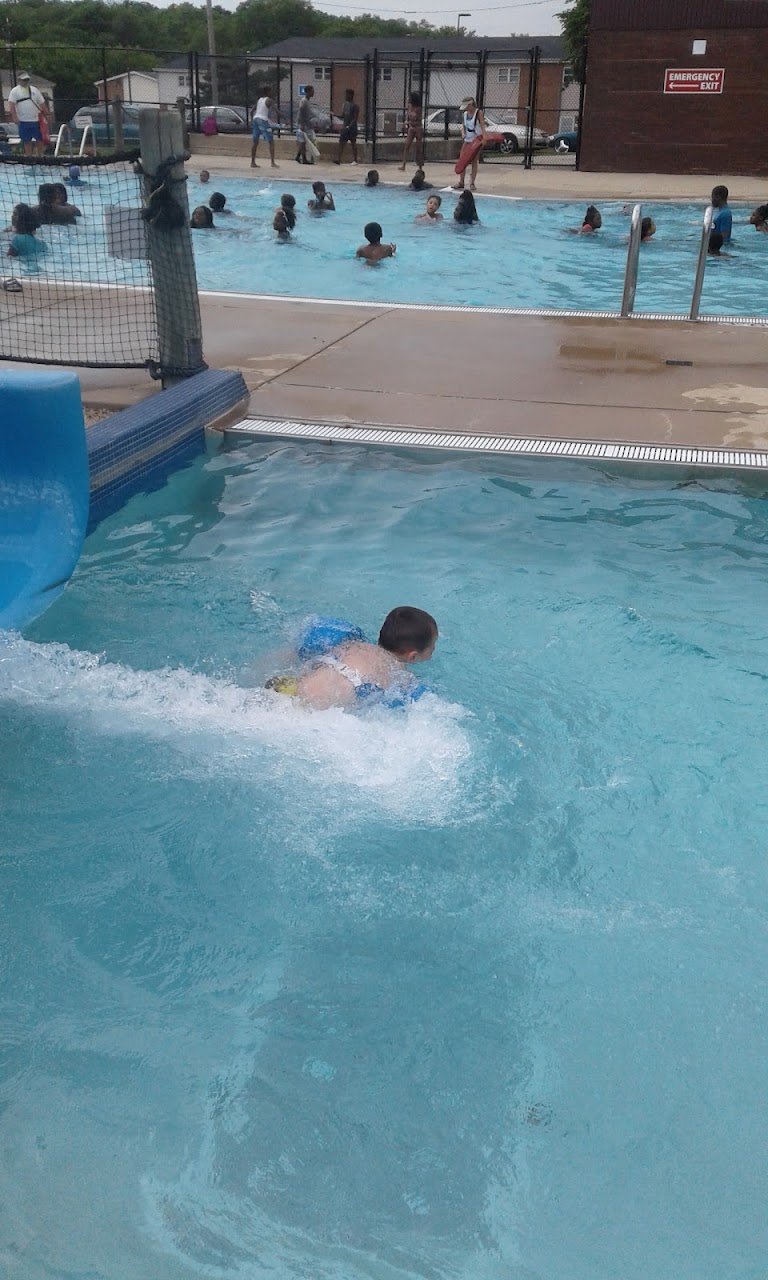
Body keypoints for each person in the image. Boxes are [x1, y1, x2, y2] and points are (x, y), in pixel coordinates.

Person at [293, 607, 438, 710]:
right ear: (413, 656)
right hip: (322, 708)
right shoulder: (401, 676)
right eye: (432, 648)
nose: (432, 653)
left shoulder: (357, 645)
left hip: (301, 684)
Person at [7, 72, 48, 159]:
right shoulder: (15, 91)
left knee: (40, 139)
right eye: (24, 80)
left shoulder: (34, 90)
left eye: (27, 80)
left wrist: (46, 114)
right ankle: (29, 157)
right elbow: (11, 105)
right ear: (19, 80)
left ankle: (40, 156)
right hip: (23, 121)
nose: (25, 81)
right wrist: (14, 117)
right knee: (27, 141)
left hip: (35, 120)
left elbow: (42, 103)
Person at [454, 96, 486, 193]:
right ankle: (461, 181)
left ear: (471, 104)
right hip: (467, 140)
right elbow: (463, 126)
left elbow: (482, 125)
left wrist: (484, 138)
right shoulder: (465, 114)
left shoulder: (478, 113)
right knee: (462, 160)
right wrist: (463, 133)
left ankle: (472, 183)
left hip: (476, 140)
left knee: (474, 161)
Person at [252, 92, 278, 169]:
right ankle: (272, 163)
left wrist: (251, 122)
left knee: (255, 142)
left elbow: (251, 111)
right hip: (263, 120)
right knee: (271, 141)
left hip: (255, 119)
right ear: (268, 92)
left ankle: (252, 162)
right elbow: (276, 110)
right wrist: (285, 118)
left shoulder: (259, 100)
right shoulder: (269, 100)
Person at [399, 91, 424, 171]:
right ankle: (403, 165)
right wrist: (408, 123)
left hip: (418, 128)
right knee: (406, 146)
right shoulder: (410, 107)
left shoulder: (419, 109)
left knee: (418, 148)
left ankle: (420, 166)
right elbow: (410, 117)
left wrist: (407, 123)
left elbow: (418, 120)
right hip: (411, 128)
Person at [336, 88, 359, 165]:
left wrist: (349, 126)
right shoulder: (345, 105)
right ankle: (338, 159)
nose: (345, 96)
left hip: (351, 128)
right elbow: (342, 116)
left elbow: (355, 118)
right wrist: (334, 114)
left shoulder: (355, 106)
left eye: (347, 95)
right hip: (345, 127)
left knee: (353, 143)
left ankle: (355, 160)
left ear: (351, 95)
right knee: (341, 143)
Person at [295, 85, 316, 165]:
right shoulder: (304, 101)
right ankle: (303, 158)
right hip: (302, 124)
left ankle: (298, 157)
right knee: (303, 141)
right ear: (308, 92)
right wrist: (302, 124)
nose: (313, 93)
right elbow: (301, 111)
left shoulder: (306, 101)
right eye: (312, 91)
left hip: (305, 123)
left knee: (303, 141)